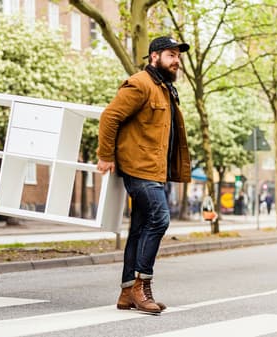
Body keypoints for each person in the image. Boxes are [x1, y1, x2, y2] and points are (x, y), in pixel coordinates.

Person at [96, 36, 191, 314]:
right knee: (160, 219)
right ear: (154, 57)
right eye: (171, 55)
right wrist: (106, 156)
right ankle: (141, 285)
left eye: (178, 56)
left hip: (156, 170)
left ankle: (126, 292)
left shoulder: (164, 88)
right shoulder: (140, 84)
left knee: (139, 229)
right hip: (139, 168)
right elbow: (110, 117)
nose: (177, 61)